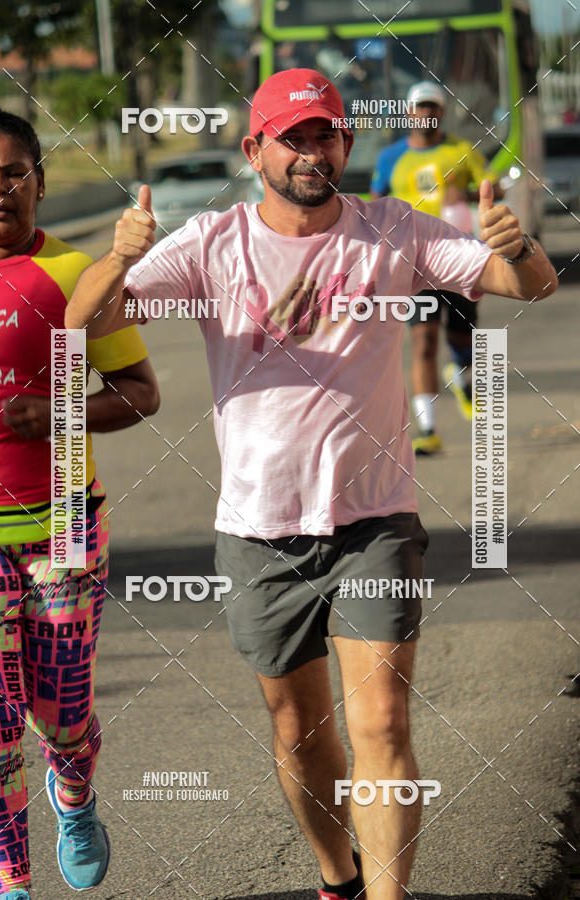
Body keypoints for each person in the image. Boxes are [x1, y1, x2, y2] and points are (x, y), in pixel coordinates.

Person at [66, 68, 557, 900]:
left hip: (375, 523)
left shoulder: (391, 231)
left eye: (324, 133)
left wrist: (518, 245)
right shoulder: (212, 245)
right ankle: (339, 877)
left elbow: (530, 286)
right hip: (258, 530)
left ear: (346, 141)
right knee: (299, 731)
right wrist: (118, 260)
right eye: (291, 137)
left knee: (383, 723)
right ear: (255, 148)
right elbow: (80, 325)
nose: (310, 150)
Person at [0, 108, 160, 899]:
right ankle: (13, 886)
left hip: (62, 523)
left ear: (40, 184)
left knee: (59, 715)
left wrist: (60, 412)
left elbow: (141, 393)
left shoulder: (77, 276)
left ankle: (75, 792)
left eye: (13, 171)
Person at [371, 81, 503, 455]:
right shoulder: (390, 157)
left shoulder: (461, 151)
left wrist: (469, 194)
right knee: (423, 342)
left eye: (433, 107)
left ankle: (462, 377)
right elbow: (375, 205)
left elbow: (494, 190)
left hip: (457, 259)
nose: (426, 113)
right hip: (412, 265)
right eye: (420, 107)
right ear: (409, 113)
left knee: (463, 339)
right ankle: (428, 430)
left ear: (441, 112)